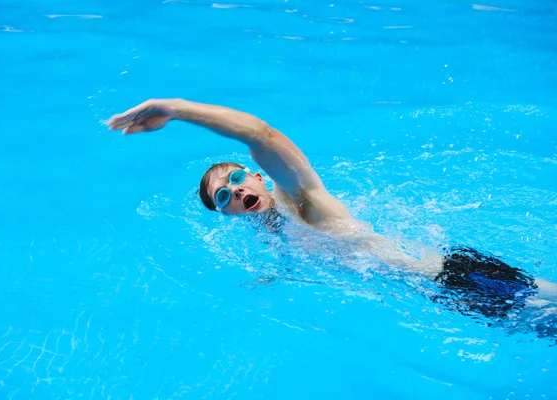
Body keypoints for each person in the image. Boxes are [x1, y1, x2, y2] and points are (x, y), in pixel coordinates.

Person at [108, 98, 557, 319]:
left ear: (258, 177)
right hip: (442, 295)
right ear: (227, 215)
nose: (236, 192)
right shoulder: (268, 227)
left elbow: (261, 136)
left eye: (237, 178)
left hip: (456, 277)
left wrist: (175, 109)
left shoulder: (302, 200)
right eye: (223, 196)